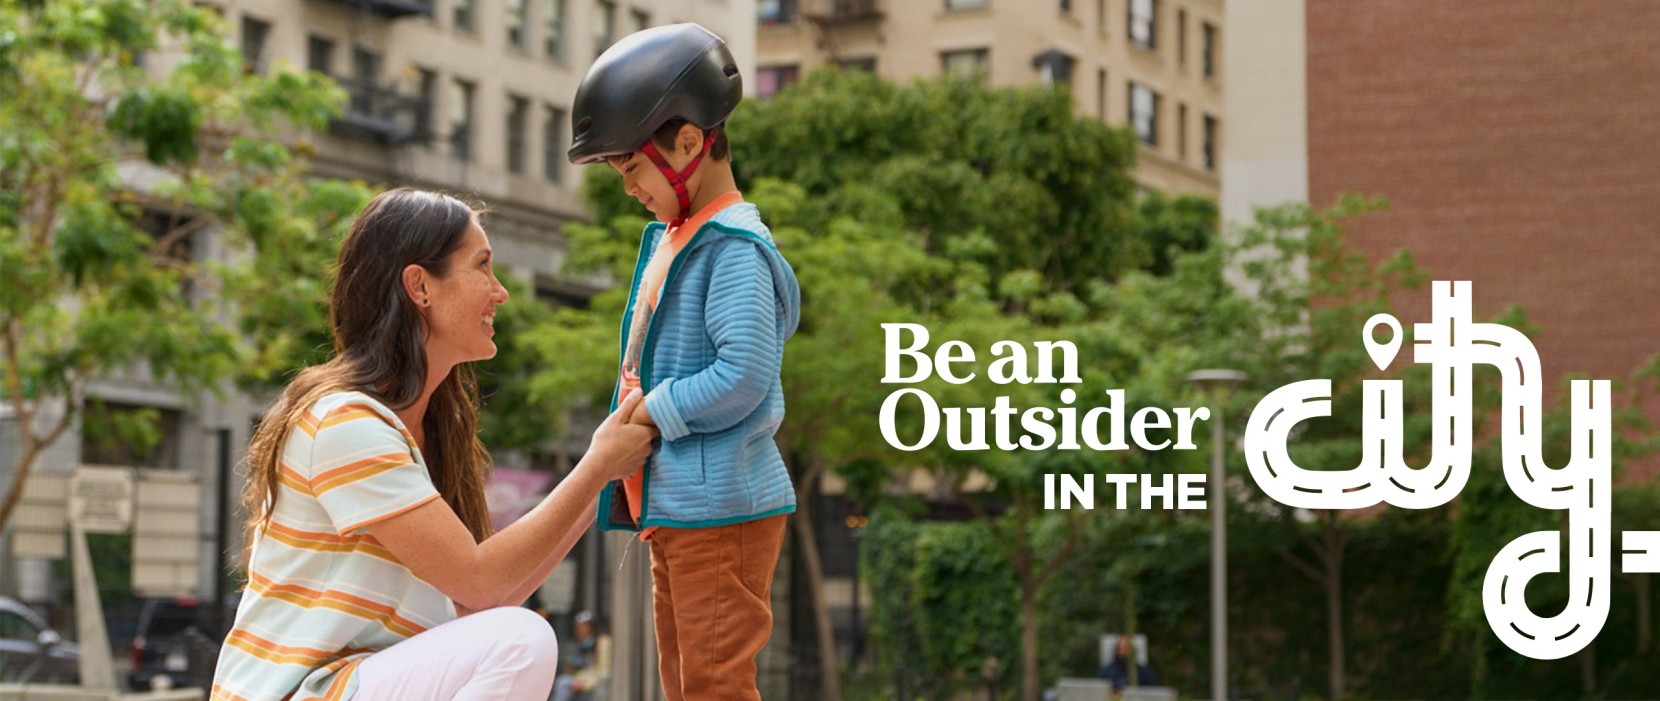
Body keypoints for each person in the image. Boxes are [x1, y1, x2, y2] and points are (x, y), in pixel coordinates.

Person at [210, 188, 658, 701]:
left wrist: (607, 470)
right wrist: (597, 465)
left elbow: (482, 602)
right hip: (298, 691)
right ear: (420, 286)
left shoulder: (420, 431)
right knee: (520, 640)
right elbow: (480, 582)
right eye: (482, 267)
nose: (500, 292)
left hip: (352, 686)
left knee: (510, 630)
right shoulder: (344, 422)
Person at [567, 22, 802, 701]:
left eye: (632, 168)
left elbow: (745, 374)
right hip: (683, 505)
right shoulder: (679, 237)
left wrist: (654, 410)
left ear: (692, 143)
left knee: (714, 685)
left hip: (722, 507)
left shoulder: (732, 250)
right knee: (687, 683)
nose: (628, 187)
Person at [550, 612, 610, 701]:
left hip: (595, 684)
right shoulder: (583, 646)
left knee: (562, 683)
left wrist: (584, 682)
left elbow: (603, 672)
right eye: (577, 628)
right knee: (562, 682)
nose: (580, 632)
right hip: (583, 680)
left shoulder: (603, 643)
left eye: (584, 627)